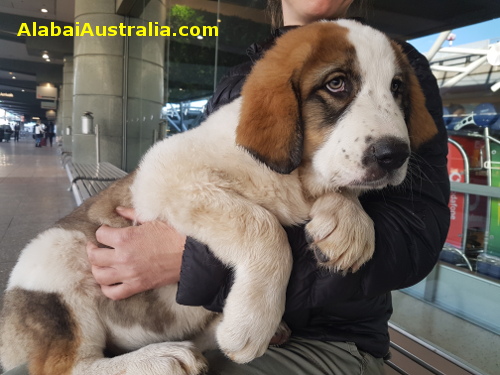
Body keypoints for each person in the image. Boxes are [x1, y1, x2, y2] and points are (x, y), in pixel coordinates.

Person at [3, 1, 449, 374]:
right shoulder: (246, 78)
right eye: (336, 84)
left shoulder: (398, 60)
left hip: (324, 337)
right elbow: (182, 170)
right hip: (122, 309)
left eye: (393, 92)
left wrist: (188, 256)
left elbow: (412, 237)